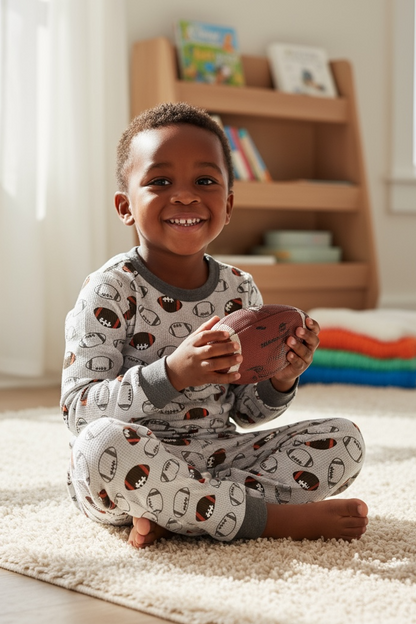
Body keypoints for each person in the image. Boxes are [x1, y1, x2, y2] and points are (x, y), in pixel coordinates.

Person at [61, 102, 368, 549]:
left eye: (204, 181)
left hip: (220, 457)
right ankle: (269, 520)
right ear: (125, 207)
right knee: (99, 445)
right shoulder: (110, 290)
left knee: (345, 440)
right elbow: (77, 411)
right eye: (160, 181)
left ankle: (184, 513)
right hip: (134, 458)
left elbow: (246, 413)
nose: (184, 195)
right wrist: (173, 372)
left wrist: (281, 378)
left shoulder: (240, 291)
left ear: (227, 206)